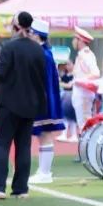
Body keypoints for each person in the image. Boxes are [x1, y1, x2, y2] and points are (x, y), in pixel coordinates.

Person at [0, 12, 48, 199]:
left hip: (9, 104)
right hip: (30, 105)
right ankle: (21, 189)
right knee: (24, 146)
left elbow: (0, 72)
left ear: (16, 26)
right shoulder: (38, 49)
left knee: (2, 144)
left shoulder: (9, 47)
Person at [28, 19, 65, 185]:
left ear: (37, 35)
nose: (28, 35)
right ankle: (43, 170)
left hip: (43, 100)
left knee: (45, 135)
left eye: (30, 33)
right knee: (44, 135)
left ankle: (45, 172)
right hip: (45, 98)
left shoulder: (42, 55)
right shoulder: (45, 53)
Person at [71, 28, 99, 128]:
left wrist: (79, 81)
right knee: (82, 124)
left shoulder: (86, 55)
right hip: (81, 93)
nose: (73, 41)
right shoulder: (82, 54)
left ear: (81, 41)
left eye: (75, 38)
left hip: (84, 93)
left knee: (84, 125)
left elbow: (95, 73)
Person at [58, 59, 78, 142]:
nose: (67, 66)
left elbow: (69, 86)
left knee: (71, 116)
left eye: (69, 64)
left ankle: (73, 135)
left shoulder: (75, 75)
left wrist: (61, 84)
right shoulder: (64, 75)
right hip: (64, 95)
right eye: (66, 64)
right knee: (65, 116)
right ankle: (64, 134)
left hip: (71, 95)